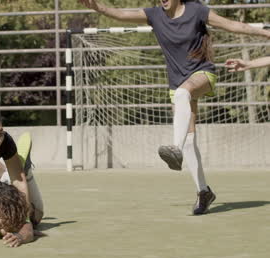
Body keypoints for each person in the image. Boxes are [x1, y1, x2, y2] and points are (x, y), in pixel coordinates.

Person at [79, 0, 270, 215]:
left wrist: (266, 34)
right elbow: (121, 14)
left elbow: (235, 26)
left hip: (202, 74)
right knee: (189, 139)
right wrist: (98, 7)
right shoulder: (154, 15)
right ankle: (203, 191)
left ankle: (174, 148)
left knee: (182, 95)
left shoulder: (197, 11)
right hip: (177, 81)